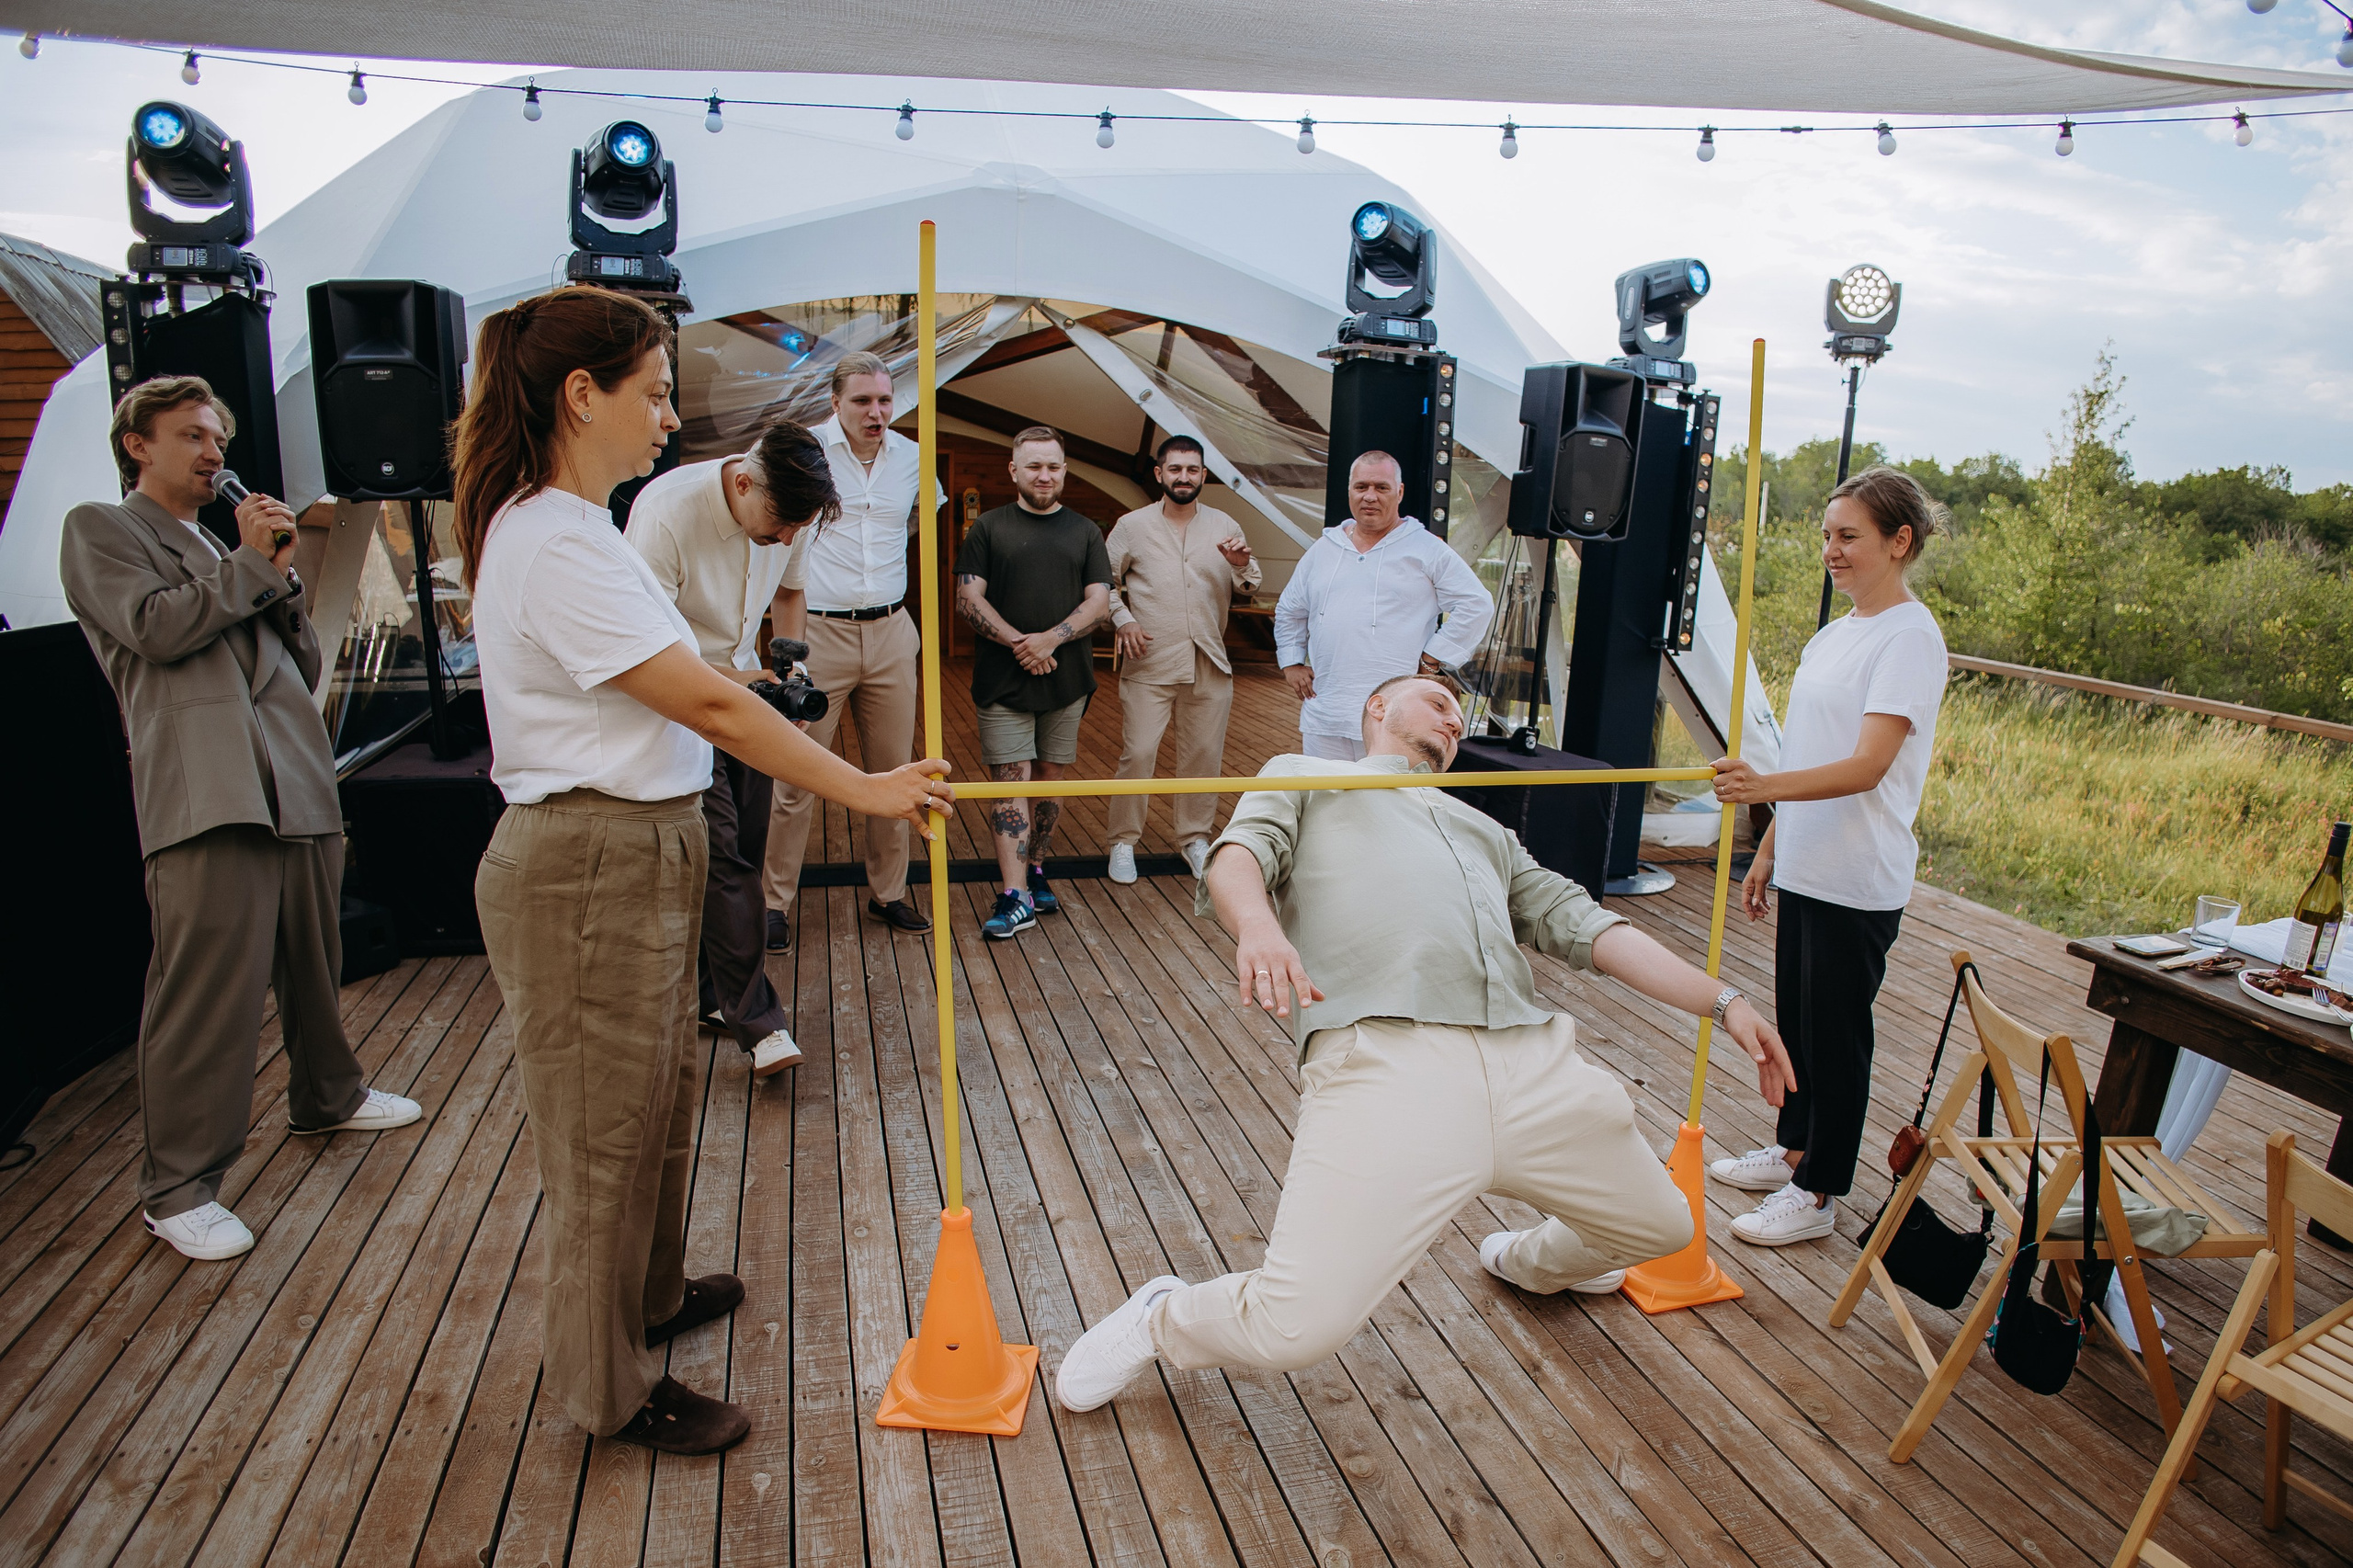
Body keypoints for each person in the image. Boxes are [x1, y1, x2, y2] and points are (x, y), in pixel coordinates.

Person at [453, 287, 951, 1456]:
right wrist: (866, 788)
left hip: (638, 840)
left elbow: (708, 682)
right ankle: (609, 1386)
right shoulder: (549, 537)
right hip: (587, 856)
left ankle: (654, 1297)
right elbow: (707, 698)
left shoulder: (579, 523)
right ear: (582, 397)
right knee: (601, 1137)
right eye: (656, 389)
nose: (671, 414)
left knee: (661, 1099)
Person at [1053, 674, 1796, 1413]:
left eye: (1458, 717)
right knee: (1292, 1330)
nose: (1451, 722)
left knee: (1662, 1224)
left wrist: (1723, 1001)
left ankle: (1530, 1264)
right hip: (1388, 1064)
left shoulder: (1484, 830)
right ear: (1377, 707)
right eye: (1436, 702)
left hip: (1533, 1063)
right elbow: (1240, 854)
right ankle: (1163, 1317)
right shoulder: (1306, 775)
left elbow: (1585, 923)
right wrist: (1257, 925)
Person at [58, 376, 422, 1265]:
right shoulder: (102, 530)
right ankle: (179, 1186)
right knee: (205, 991)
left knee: (313, 954)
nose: (213, 451)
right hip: (208, 784)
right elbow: (153, 627)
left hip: (292, 774)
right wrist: (251, 565)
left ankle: (327, 1095)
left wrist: (281, 575)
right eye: (190, 435)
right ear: (137, 444)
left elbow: (298, 656)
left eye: (217, 436)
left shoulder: (230, 547)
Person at [1705, 466, 1949, 1247]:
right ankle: (1793, 1149)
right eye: (1827, 536)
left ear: (1898, 541)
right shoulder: (1836, 632)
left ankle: (1819, 1192)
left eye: (1849, 537)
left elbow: (1869, 765)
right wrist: (1771, 845)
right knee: (1802, 1028)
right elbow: (1816, 749)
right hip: (1808, 860)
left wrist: (1760, 789)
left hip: (1858, 874)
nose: (1832, 551)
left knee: (1838, 1038)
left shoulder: (1910, 637)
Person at [625, 415, 835, 1078]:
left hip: (750, 688)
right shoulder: (662, 513)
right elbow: (649, 650)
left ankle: (711, 998)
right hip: (679, 698)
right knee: (724, 859)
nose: (786, 539)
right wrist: (748, 682)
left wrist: (790, 673)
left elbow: (792, 591)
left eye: (798, 529)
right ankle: (759, 1023)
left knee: (745, 844)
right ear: (743, 482)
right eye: (781, 526)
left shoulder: (787, 509)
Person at [761, 352, 942, 953]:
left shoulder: (913, 458)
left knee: (896, 770)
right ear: (835, 402)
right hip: (820, 631)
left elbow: (919, 525)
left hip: (892, 631)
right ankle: (773, 903)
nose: (877, 411)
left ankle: (888, 892)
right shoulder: (805, 453)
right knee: (797, 774)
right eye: (863, 400)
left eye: (886, 400)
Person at [954, 426, 1112, 938]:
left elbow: (1099, 603)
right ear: (1014, 471)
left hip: (1067, 682)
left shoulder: (1086, 531)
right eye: (1034, 466)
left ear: (1064, 470)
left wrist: (1052, 640)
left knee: (1048, 780)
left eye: (1053, 466)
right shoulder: (988, 529)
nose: (1044, 475)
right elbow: (968, 599)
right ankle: (1015, 894)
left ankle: (1037, 868)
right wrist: (1023, 643)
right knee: (1010, 780)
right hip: (1002, 681)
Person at [1103, 435, 1261, 884]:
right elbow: (1101, 581)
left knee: (1204, 755)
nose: (1184, 477)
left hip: (1210, 659)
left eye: (1192, 470)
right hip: (1149, 660)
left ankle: (1194, 837)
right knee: (1138, 754)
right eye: (1175, 469)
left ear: (1203, 475)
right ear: (1159, 474)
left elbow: (1249, 585)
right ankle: (1123, 841)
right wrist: (1123, 620)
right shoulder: (1131, 526)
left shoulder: (1225, 523)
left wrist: (1239, 564)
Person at [1273, 450, 1494, 761]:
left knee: (1382, 806)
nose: (1370, 497)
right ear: (1349, 490)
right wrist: (1291, 661)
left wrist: (1432, 660)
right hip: (1326, 714)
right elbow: (1290, 609)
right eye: (1361, 487)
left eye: (1381, 487)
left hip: (1395, 721)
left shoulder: (1426, 548)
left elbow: (1477, 603)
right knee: (1324, 804)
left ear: (1399, 492)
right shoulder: (1324, 549)